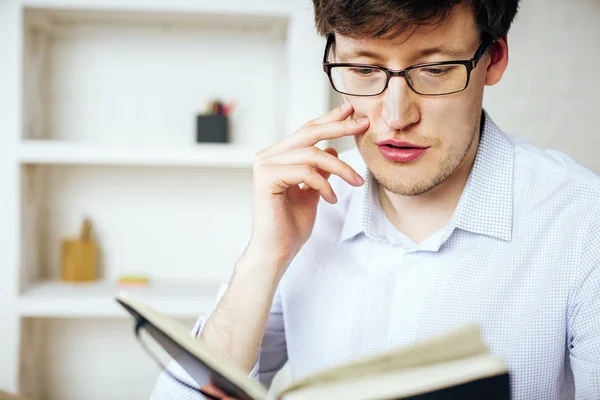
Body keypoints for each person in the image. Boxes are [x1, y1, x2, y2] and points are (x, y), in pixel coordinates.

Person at [151, 1, 600, 399]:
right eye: (365, 71)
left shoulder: (583, 221)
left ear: (494, 58)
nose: (396, 116)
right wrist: (264, 257)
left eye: (435, 69)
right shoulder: (309, 203)